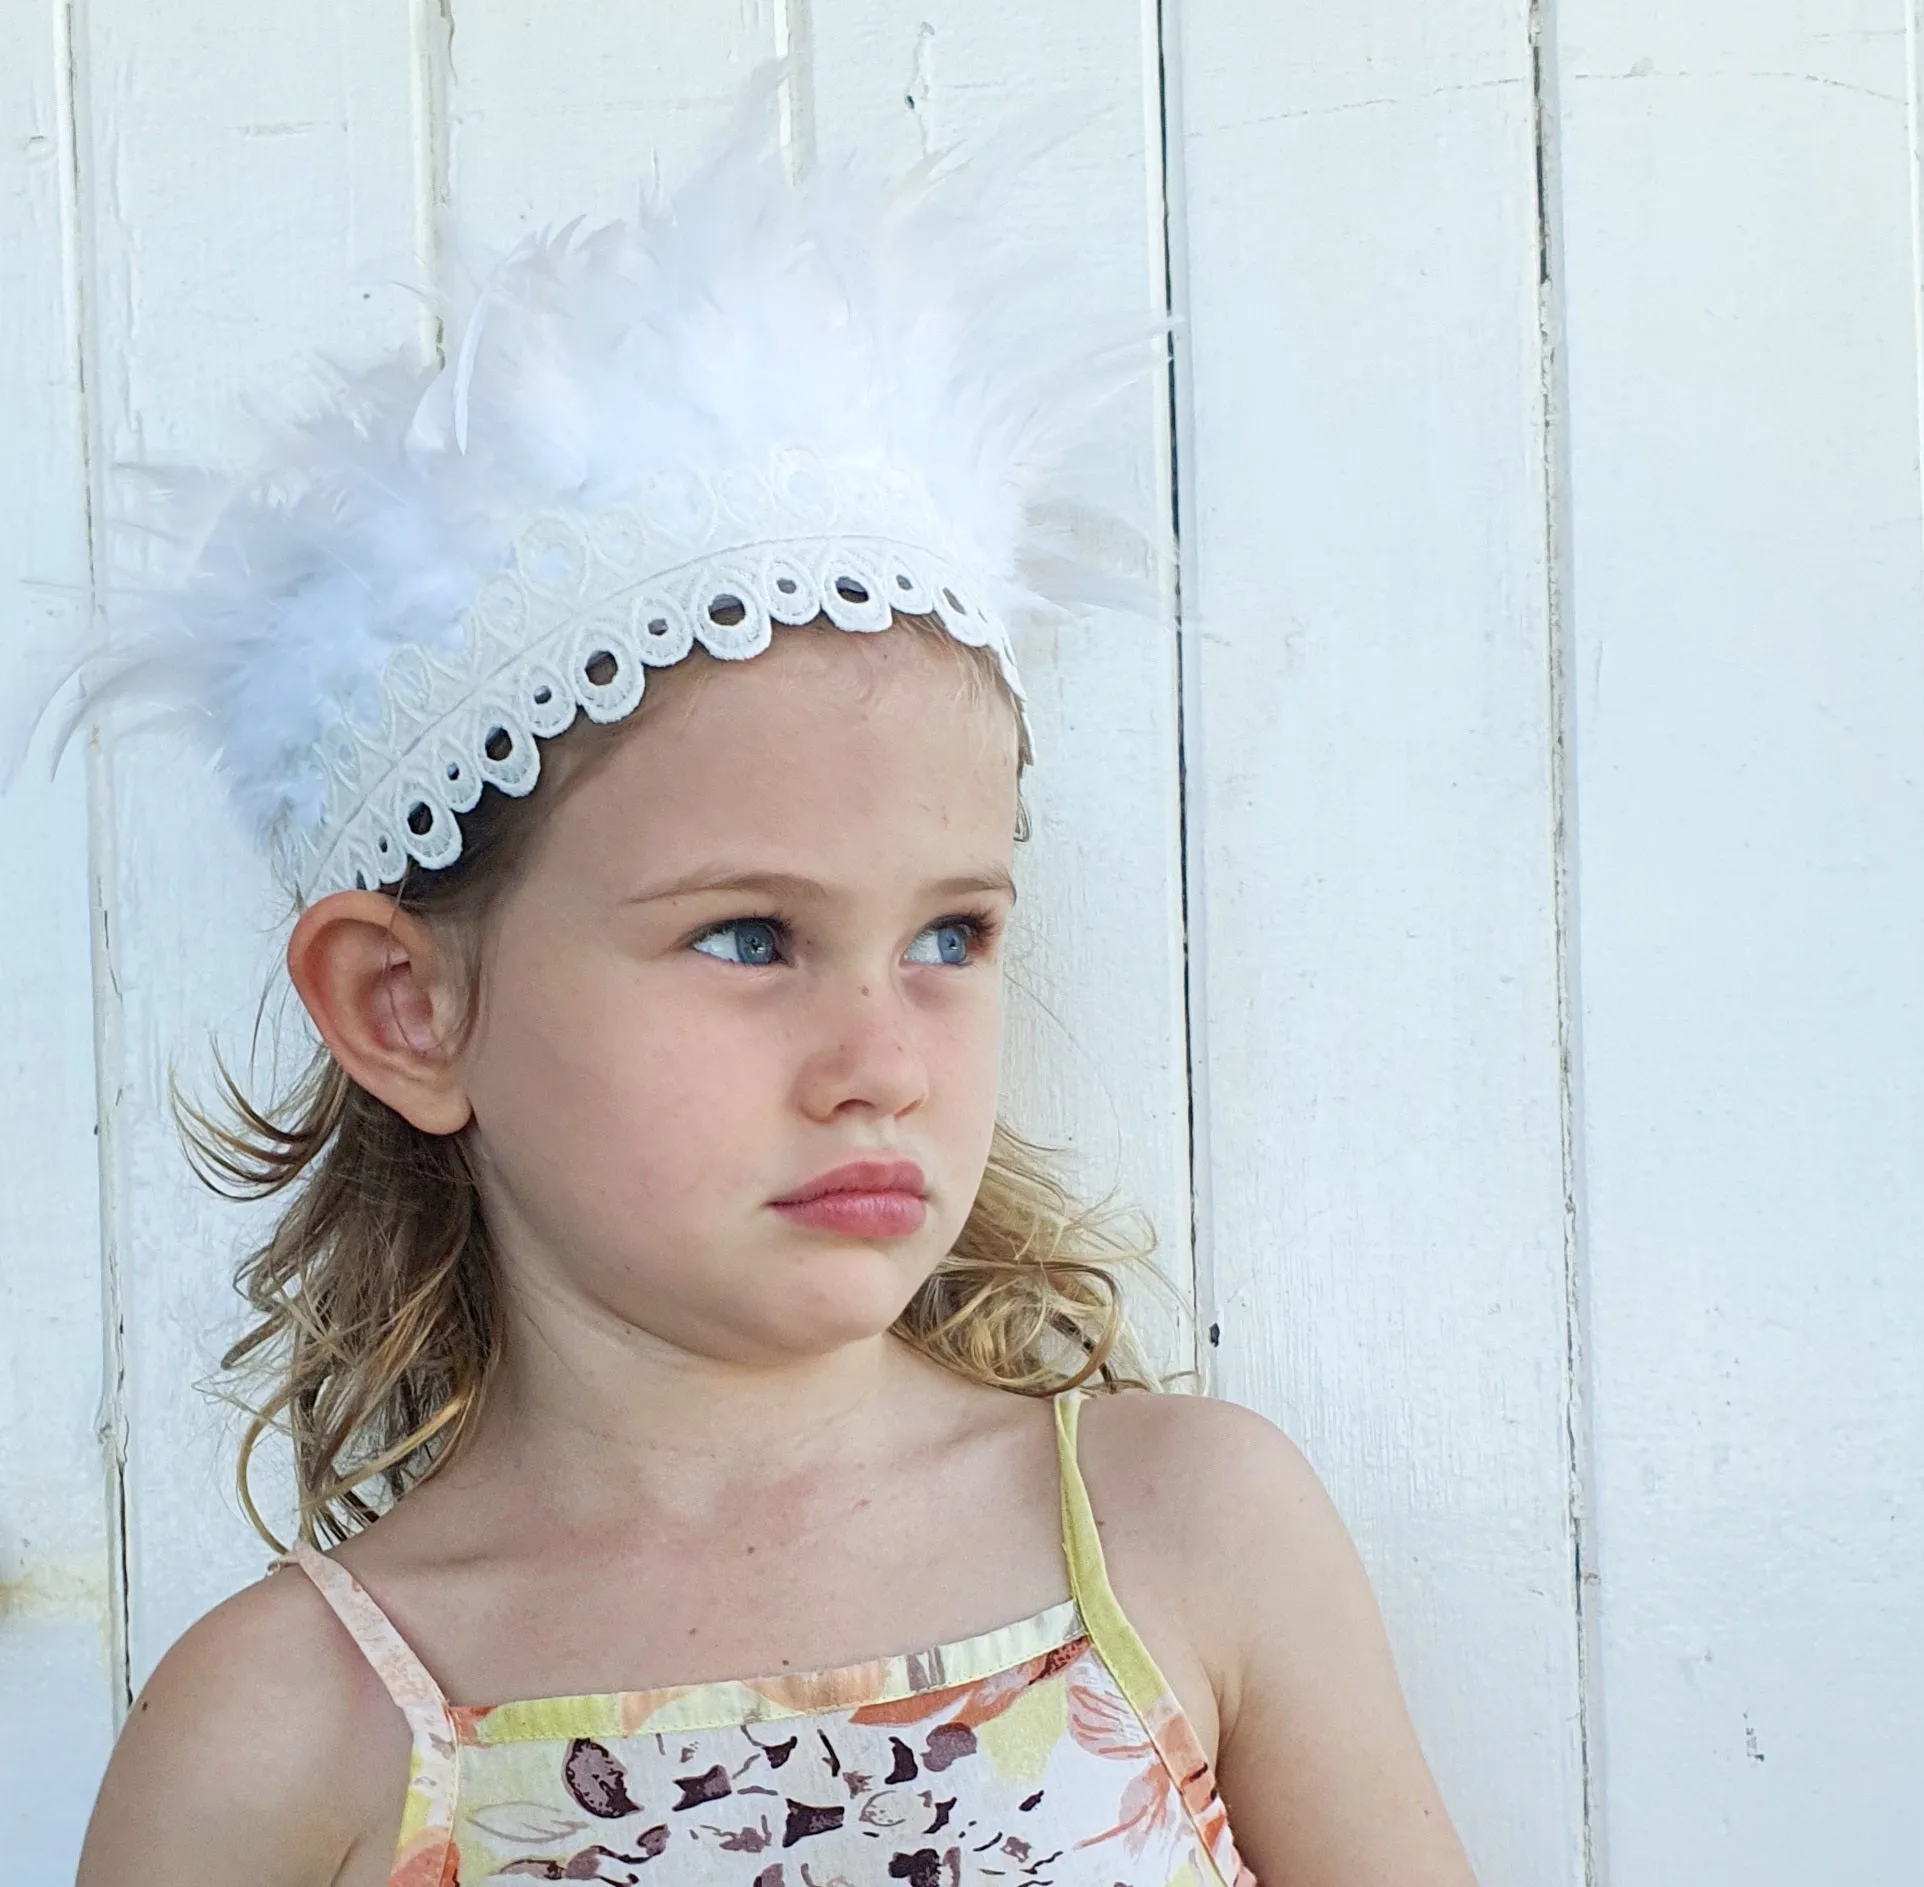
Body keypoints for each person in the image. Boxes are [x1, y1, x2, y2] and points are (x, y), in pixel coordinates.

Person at [68, 94, 1477, 1887]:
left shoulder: (1178, 1533)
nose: (882, 1060)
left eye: (950, 936)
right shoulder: (290, 1727)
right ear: (407, 1005)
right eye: (747, 937)